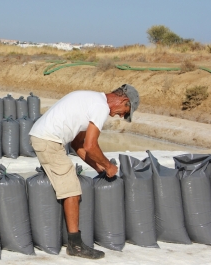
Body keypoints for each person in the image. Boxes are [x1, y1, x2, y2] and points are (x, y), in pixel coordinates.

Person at [29, 84, 140, 259]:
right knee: (72, 190)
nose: (121, 115)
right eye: (125, 111)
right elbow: (90, 145)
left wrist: (97, 167)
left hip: (45, 136)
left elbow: (78, 145)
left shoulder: (91, 100)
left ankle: (74, 242)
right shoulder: (100, 106)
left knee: (69, 183)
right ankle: (75, 246)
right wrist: (109, 166)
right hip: (48, 140)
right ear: (124, 100)